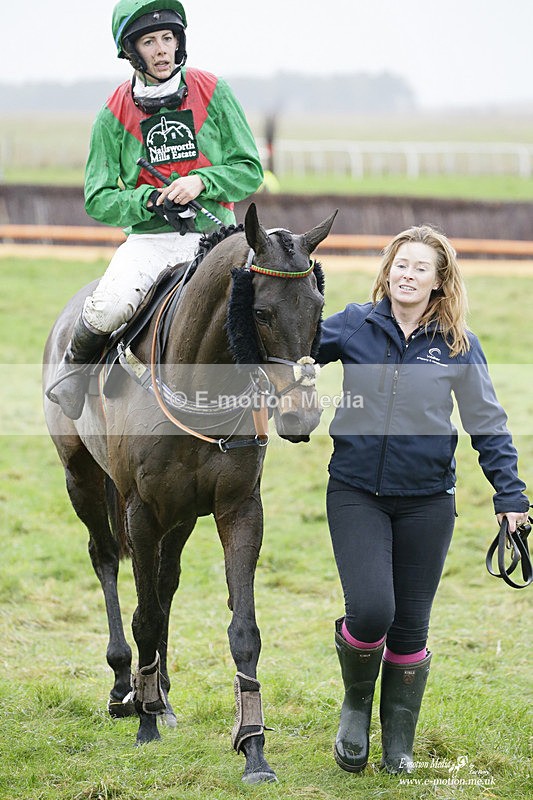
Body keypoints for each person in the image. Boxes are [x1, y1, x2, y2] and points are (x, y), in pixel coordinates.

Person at [317, 224, 530, 775]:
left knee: (411, 625)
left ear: (439, 281)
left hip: (429, 501)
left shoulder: (458, 344)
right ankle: (355, 708)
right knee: (372, 610)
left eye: (420, 268)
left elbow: (487, 422)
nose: (407, 276)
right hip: (356, 492)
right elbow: (290, 344)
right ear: (387, 272)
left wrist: (510, 494)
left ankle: (398, 742)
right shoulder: (354, 324)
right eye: (400, 265)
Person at [49, 0, 263, 419]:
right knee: (108, 307)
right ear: (132, 51)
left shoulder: (214, 91)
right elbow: (97, 197)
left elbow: (250, 169)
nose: (162, 49)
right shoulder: (112, 114)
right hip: (150, 242)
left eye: (168, 37)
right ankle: (71, 374)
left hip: (217, 237)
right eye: (149, 41)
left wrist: (202, 181)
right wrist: (146, 200)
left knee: (267, 304)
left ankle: (284, 394)